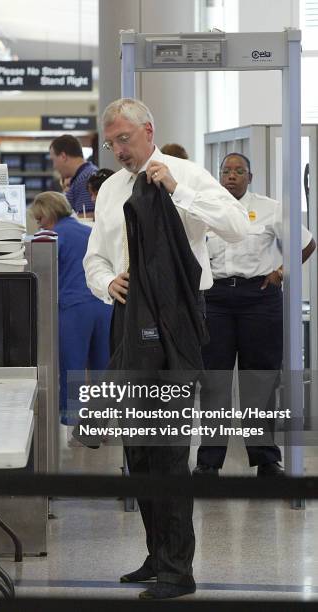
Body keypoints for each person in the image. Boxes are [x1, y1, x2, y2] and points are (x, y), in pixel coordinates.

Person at [81, 98, 249, 600]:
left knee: (170, 445)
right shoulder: (111, 190)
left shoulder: (187, 175)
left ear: (148, 130)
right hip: (126, 319)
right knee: (138, 445)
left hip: (176, 318)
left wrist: (179, 194)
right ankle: (156, 554)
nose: (117, 150)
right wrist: (108, 282)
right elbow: (93, 258)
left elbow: (237, 225)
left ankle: (179, 569)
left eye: (123, 140)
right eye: (110, 143)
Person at [194, 153, 316, 477]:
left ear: (251, 176)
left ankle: (265, 459)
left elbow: (306, 243)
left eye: (239, 171)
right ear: (219, 176)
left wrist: (281, 271)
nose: (231, 176)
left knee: (259, 380)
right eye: (226, 171)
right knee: (214, 382)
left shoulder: (270, 208)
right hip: (215, 300)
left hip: (259, 299)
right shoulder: (206, 208)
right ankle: (208, 461)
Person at [30, 191, 112, 433]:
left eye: (39, 218)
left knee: (73, 369)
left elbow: (39, 272)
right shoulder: (90, 230)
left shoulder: (50, 235)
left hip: (74, 309)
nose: (38, 223)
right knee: (103, 367)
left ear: (47, 213)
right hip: (104, 305)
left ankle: (74, 424)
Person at [49, 135, 98, 217]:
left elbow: (87, 218)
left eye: (53, 160)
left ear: (63, 156)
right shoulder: (85, 175)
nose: (54, 166)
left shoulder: (85, 179)